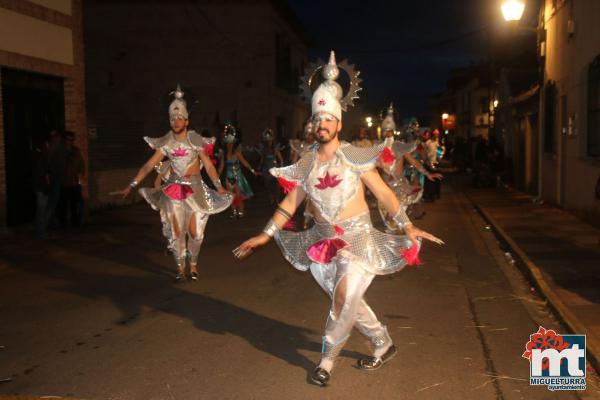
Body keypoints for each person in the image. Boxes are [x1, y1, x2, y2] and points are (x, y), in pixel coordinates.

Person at [234, 51, 443, 386]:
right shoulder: (306, 163)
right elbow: (291, 201)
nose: (322, 125)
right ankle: (382, 342)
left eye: (328, 119)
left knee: (344, 297)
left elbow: (385, 194)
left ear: (339, 123)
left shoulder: (355, 156)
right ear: (313, 124)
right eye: (317, 120)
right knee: (347, 300)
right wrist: (265, 234)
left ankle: (326, 360)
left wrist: (407, 224)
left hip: (358, 240)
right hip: (322, 243)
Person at [116, 85, 233, 281]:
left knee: (196, 234)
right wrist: (132, 185)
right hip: (173, 190)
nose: (176, 121)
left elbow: (209, 166)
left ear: (186, 120)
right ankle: (180, 268)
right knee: (177, 232)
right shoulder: (166, 142)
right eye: (173, 118)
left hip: (196, 189)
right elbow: (147, 166)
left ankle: (193, 264)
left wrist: (219, 186)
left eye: (180, 118)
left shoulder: (195, 139)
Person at [377, 104, 441, 231]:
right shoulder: (377, 148)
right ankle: (394, 243)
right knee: (389, 224)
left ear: (393, 132)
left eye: (390, 131)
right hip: (384, 187)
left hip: (401, 189)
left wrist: (428, 174)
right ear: (383, 132)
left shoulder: (400, 146)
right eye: (386, 131)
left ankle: (398, 243)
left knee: (396, 221)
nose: (388, 134)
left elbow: (415, 162)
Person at [218, 123, 258, 218]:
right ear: (226, 143)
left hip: (238, 176)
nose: (229, 144)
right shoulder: (224, 154)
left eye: (231, 142)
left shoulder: (237, 153)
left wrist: (253, 170)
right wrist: (216, 177)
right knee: (231, 196)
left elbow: (245, 163)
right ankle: (234, 211)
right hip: (229, 176)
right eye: (228, 142)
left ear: (233, 143)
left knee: (239, 196)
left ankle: (240, 212)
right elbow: (221, 166)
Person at [58, 131, 85, 227]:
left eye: (72, 140)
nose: (71, 142)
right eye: (69, 140)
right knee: (63, 205)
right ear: (65, 140)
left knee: (75, 204)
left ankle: (75, 222)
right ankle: (63, 223)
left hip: (74, 183)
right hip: (63, 183)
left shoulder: (76, 151)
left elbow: (81, 165)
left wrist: (81, 178)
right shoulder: (60, 152)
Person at [258, 128, 284, 206]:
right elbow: (262, 159)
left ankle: (277, 199)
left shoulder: (275, 148)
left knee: (277, 185)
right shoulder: (264, 149)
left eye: (270, 140)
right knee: (268, 185)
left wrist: (281, 168)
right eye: (267, 141)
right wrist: (259, 166)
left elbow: (281, 159)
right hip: (266, 169)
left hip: (274, 168)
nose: (269, 142)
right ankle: (271, 197)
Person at [32, 135, 50, 239]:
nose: (48, 146)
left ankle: (39, 232)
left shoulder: (36, 156)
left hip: (39, 187)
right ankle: (40, 233)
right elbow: (42, 174)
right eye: (46, 144)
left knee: (40, 211)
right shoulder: (41, 157)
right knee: (41, 211)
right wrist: (46, 186)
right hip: (41, 188)